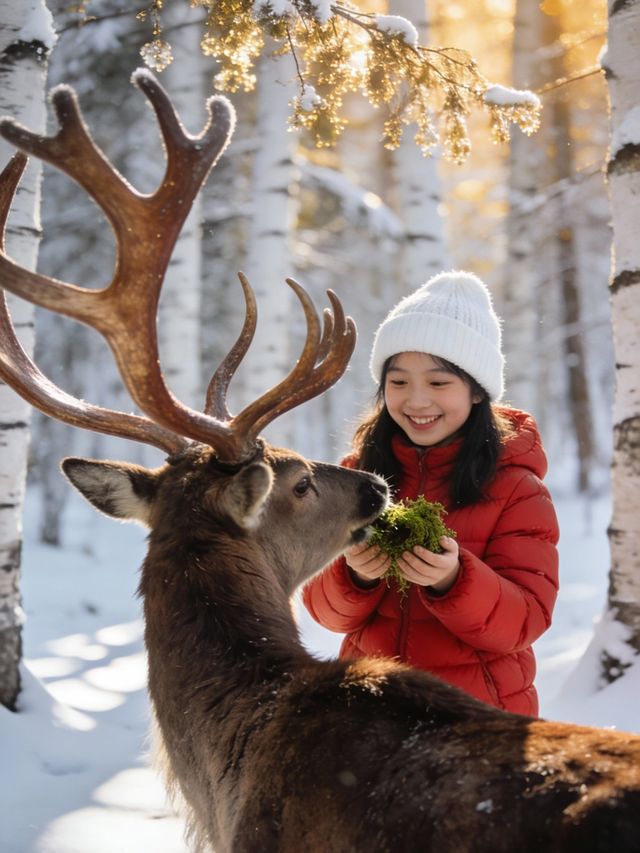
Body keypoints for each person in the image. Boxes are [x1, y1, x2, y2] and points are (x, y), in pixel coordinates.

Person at [303, 270, 559, 717]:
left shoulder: (517, 489)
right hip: (367, 718)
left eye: (439, 383)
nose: (416, 401)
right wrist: (355, 575)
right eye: (398, 382)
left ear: (477, 390)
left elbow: (525, 622)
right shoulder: (356, 476)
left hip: (475, 723)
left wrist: (453, 579)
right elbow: (326, 613)